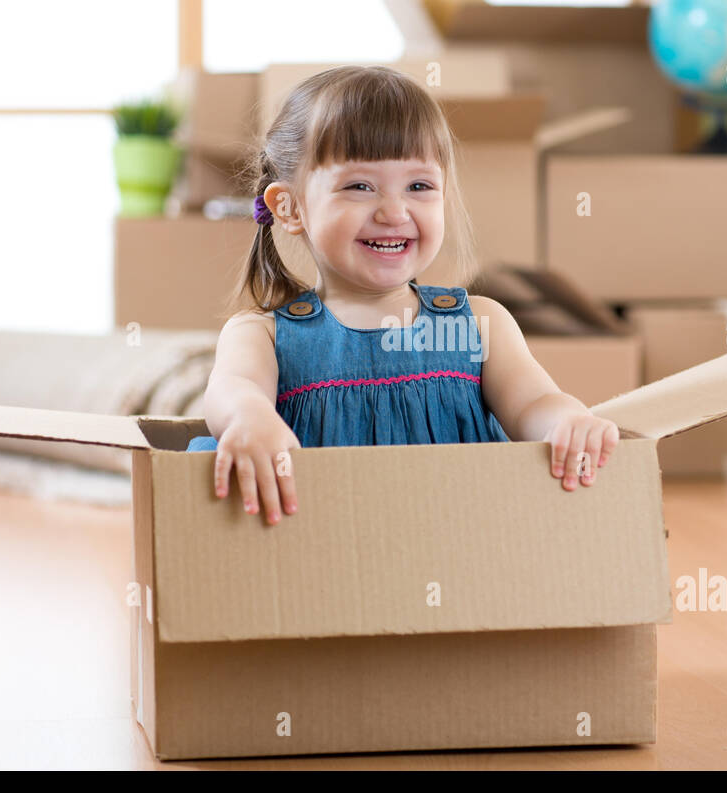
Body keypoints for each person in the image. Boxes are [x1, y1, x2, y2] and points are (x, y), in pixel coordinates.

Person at [188, 65, 619, 524]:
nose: (394, 212)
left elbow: (532, 403)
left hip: (457, 542)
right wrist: (249, 417)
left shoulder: (477, 322)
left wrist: (567, 421)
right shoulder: (264, 335)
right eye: (359, 186)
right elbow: (232, 389)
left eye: (419, 186)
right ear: (289, 207)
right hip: (322, 543)